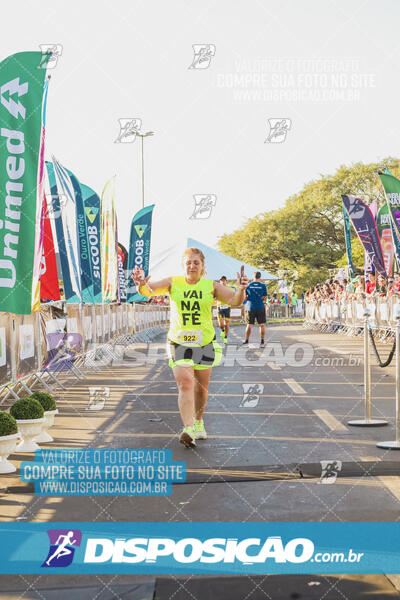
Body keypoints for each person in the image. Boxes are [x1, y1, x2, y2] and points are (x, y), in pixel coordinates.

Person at [131, 247, 248, 448]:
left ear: (202, 267)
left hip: (204, 341)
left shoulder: (210, 286)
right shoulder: (172, 282)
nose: (192, 265)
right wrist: (141, 284)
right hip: (179, 341)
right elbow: (149, 290)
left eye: (196, 262)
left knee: (201, 389)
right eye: (188, 262)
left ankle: (199, 420)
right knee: (185, 383)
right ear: (183, 265)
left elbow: (234, 301)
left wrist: (241, 289)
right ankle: (188, 428)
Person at [243, 271, 268, 347]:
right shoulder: (263, 286)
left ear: (253, 276)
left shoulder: (249, 285)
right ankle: (262, 342)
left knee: (249, 325)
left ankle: (246, 341)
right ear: (260, 277)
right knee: (262, 325)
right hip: (260, 307)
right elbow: (265, 297)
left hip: (250, 307)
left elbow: (245, 297)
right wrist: (262, 301)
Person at [216, 275, 236, 344]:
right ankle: (222, 331)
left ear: (226, 281)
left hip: (227, 307)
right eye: (221, 280)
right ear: (220, 281)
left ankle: (225, 337)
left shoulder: (230, 289)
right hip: (220, 307)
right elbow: (214, 298)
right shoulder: (217, 289)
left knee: (227, 324)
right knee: (221, 324)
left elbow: (233, 297)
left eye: (224, 280)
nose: (223, 282)